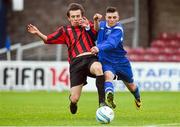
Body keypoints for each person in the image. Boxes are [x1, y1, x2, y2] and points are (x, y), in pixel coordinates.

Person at [27, 3, 106, 114]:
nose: (76, 18)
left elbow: (97, 31)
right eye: (73, 16)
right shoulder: (64, 30)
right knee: (75, 98)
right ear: (69, 18)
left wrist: (95, 21)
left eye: (78, 16)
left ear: (82, 16)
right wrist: (37, 33)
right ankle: (73, 103)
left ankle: (102, 103)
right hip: (76, 64)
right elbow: (48, 39)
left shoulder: (88, 25)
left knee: (98, 67)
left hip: (90, 58)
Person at [91, 7, 142, 109]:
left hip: (121, 62)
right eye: (109, 17)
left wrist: (98, 47)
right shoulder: (102, 25)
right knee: (108, 76)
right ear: (106, 17)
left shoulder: (118, 29)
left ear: (118, 18)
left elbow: (111, 43)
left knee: (131, 86)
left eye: (114, 17)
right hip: (106, 60)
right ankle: (110, 94)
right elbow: (96, 29)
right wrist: (95, 21)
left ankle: (137, 98)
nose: (112, 19)